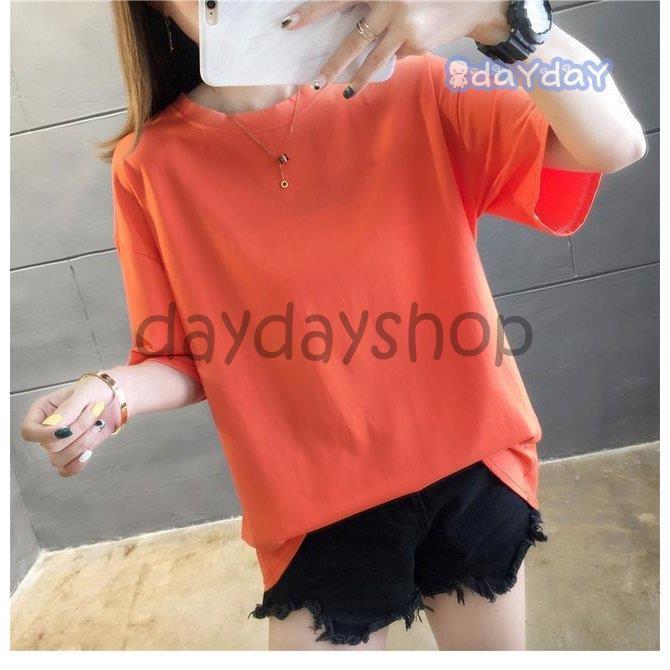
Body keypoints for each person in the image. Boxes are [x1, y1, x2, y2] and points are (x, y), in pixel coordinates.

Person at [20, 0, 645, 651]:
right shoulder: (149, 164)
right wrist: (111, 392)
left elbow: (616, 141)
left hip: (472, 463)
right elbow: (177, 356)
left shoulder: (415, 80)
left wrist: (503, 18)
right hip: (310, 501)